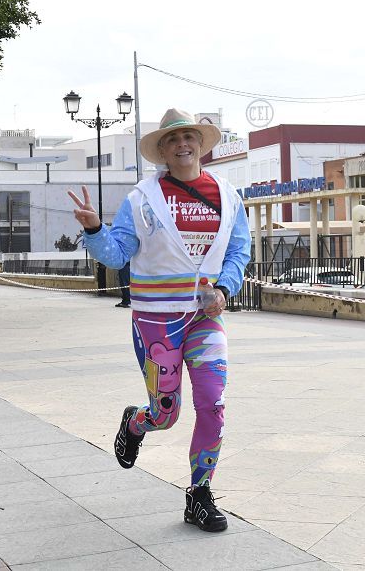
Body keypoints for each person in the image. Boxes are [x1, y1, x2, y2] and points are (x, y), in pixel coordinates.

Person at [68, 108, 250, 533]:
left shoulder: (228, 195)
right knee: (166, 413)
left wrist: (224, 290)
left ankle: (199, 496)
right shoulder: (142, 199)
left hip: (205, 318)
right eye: (172, 139)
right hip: (155, 321)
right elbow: (117, 255)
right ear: (162, 151)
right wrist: (96, 230)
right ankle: (137, 421)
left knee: (213, 405)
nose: (182, 144)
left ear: (201, 144)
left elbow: (240, 250)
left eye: (189, 136)